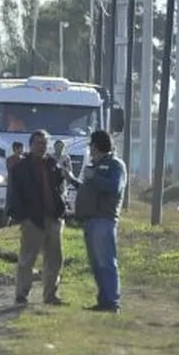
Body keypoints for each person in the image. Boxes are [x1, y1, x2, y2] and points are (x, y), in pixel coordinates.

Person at [6, 129, 70, 306]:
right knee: (27, 258)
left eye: (44, 143)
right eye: (38, 143)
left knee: (54, 259)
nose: (41, 146)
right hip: (32, 219)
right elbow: (13, 193)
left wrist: (62, 208)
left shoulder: (53, 165)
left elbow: (60, 188)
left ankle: (50, 295)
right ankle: (21, 294)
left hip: (53, 218)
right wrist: (20, 216)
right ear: (31, 145)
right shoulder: (20, 168)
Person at [73, 130, 126, 313]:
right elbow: (89, 189)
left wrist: (94, 178)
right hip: (90, 220)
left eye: (90, 145)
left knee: (106, 263)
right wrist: (71, 179)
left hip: (104, 220)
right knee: (97, 264)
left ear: (95, 146)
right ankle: (103, 300)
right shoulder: (95, 165)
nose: (90, 149)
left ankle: (112, 302)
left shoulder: (115, 165)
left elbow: (114, 188)